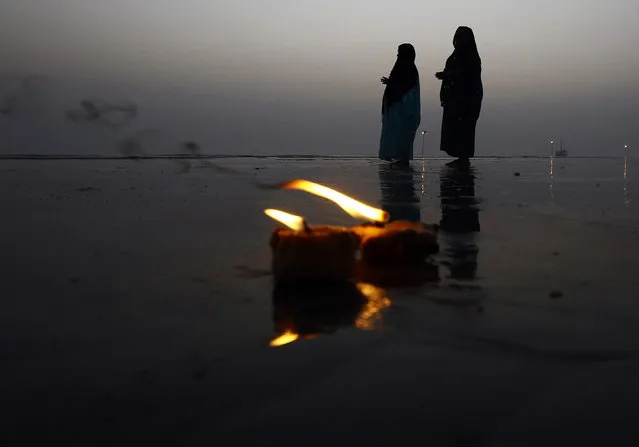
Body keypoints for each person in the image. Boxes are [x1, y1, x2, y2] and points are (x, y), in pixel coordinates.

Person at [436, 26, 483, 168]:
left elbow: (468, 72)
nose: (459, 40)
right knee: (455, 128)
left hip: (467, 99)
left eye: (462, 37)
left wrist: (449, 74)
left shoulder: (471, 56)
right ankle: (460, 157)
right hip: (454, 98)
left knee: (464, 127)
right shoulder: (455, 55)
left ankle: (464, 158)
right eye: (457, 36)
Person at [379, 43, 421, 166]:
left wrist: (391, 83)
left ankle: (403, 159)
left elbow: (407, 88)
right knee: (394, 132)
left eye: (400, 52)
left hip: (403, 108)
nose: (397, 55)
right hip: (395, 107)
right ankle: (394, 155)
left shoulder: (409, 69)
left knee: (401, 133)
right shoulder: (401, 68)